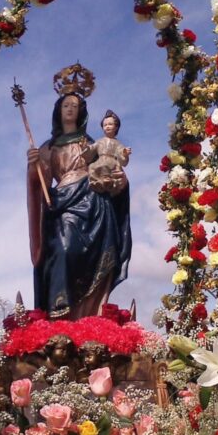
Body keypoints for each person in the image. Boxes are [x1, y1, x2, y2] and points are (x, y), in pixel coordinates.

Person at [27, 66, 131, 320]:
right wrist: (33, 167)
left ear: (81, 112)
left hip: (93, 203)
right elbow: (41, 183)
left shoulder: (90, 143)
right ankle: (62, 315)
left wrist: (118, 179)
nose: (70, 109)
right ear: (58, 111)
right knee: (63, 249)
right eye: (66, 105)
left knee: (94, 258)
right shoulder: (48, 148)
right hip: (64, 204)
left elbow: (109, 167)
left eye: (75, 105)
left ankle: (89, 316)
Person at [84, 110, 132, 195]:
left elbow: (121, 153)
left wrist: (124, 153)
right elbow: (91, 149)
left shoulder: (117, 143)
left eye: (110, 124)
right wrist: (85, 147)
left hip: (112, 162)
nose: (107, 127)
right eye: (105, 125)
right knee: (91, 167)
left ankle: (112, 184)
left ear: (116, 127)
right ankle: (97, 182)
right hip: (100, 160)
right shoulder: (99, 141)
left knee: (113, 171)